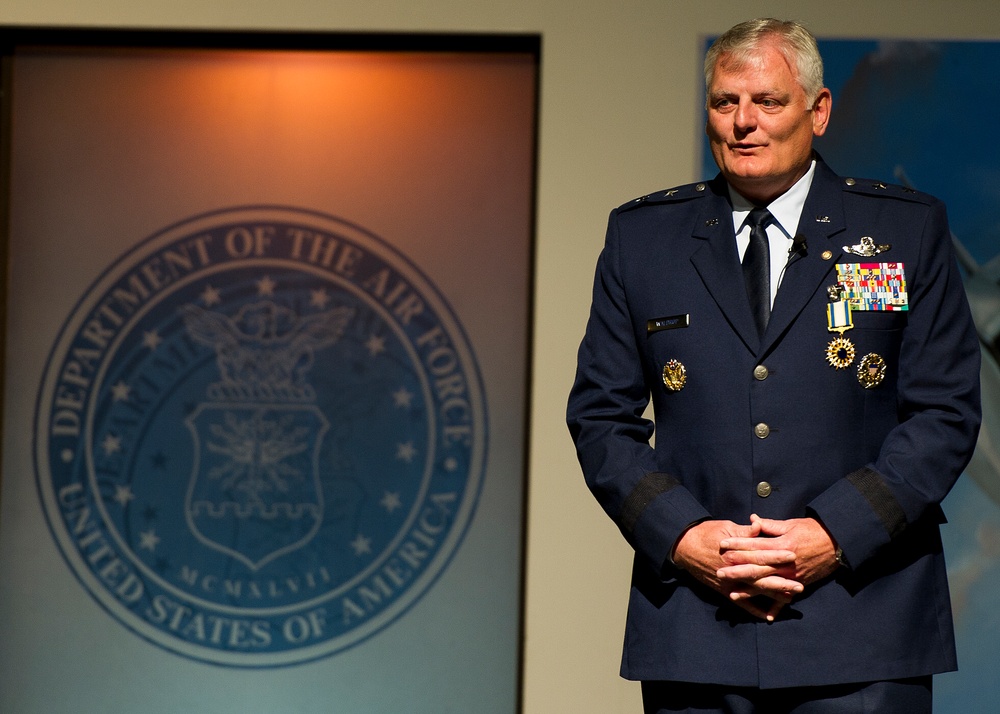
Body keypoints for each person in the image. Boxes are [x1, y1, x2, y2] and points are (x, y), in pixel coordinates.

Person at [566, 17, 981, 714]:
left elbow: (944, 414)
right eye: (726, 103)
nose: (743, 124)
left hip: (864, 622)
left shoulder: (906, 232)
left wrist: (834, 534)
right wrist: (683, 536)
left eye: (768, 101)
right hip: (698, 626)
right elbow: (599, 418)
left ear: (818, 112)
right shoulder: (644, 239)